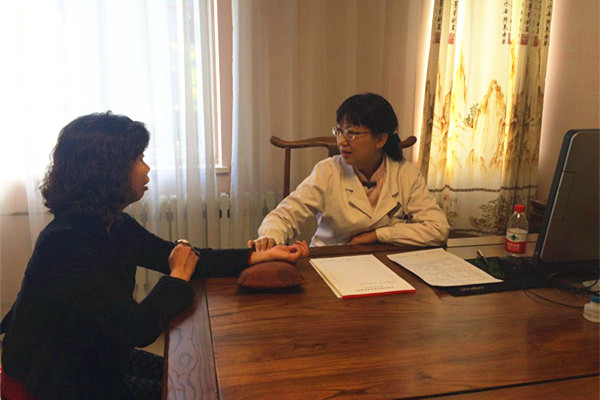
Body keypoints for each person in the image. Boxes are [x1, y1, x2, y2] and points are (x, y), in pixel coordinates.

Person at [0, 112, 308, 400]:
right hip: (52, 381)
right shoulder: (65, 244)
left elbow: (180, 257)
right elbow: (137, 327)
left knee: (195, 379)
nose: (147, 169)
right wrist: (178, 276)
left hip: (95, 357)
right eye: (139, 159)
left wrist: (257, 256)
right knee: (191, 391)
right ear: (107, 170)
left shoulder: (114, 223)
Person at [249, 93, 449, 251]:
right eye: (339, 131)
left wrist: (378, 235)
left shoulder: (406, 174)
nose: (342, 141)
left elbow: (438, 229)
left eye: (352, 133)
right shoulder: (328, 171)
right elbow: (284, 215)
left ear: (380, 139)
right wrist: (270, 237)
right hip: (331, 258)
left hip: (384, 262)